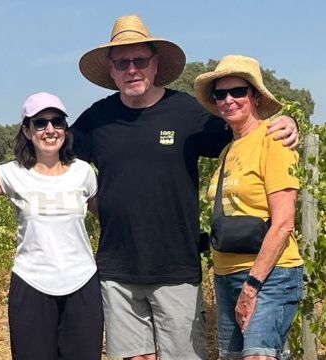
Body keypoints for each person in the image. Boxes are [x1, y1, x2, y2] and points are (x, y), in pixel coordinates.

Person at [71, 15, 300, 360]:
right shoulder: (96, 118)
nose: (132, 69)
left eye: (140, 60)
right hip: (116, 268)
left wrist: (287, 122)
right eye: (122, 63)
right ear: (112, 69)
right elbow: (55, 161)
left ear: (156, 64)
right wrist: (93, 199)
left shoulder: (186, 112)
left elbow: (244, 130)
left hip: (176, 266)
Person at [0, 92, 103, 360]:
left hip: (82, 283)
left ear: (65, 129)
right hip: (31, 283)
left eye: (57, 122)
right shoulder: (12, 173)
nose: (50, 130)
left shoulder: (84, 172)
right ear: (26, 130)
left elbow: (108, 216)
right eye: (40, 123)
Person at [194, 55, 303, 359]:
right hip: (226, 274)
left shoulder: (274, 140)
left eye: (238, 91)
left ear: (255, 96)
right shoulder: (228, 150)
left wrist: (252, 284)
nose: (229, 100)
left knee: (258, 355)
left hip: (268, 274)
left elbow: (283, 222)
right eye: (220, 94)